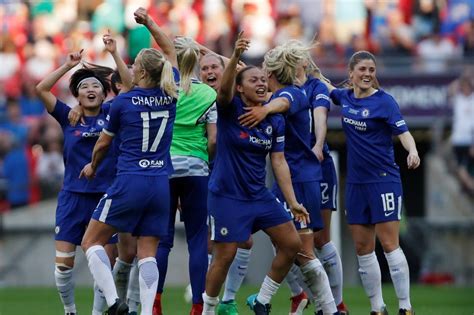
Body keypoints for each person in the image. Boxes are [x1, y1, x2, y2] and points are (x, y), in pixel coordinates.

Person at [79, 7, 179, 315]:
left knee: (91, 242)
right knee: (147, 253)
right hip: (160, 183)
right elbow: (171, 52)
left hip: (130, 180)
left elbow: (104, 143)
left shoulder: (122, 103)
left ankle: (113, 303)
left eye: (135, 66)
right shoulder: (170, 92)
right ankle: (147, 311)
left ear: (144, 73)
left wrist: (94, 165)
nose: (131, 69)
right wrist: (150, 22)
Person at [202, 32, 308, 315]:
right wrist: (235, 56)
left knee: (291, 244)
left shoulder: (273, 118)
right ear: (240, 88)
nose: (261, 83)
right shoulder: (229, 109)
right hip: (227, 196)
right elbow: (222, 91)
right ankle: (209, 310)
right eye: (254, 80)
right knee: (224, 257)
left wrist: (293, 200)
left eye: (264, 79)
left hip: (258, 195)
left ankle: (262, 300)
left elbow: (279, 162)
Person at [239, 44, 338, 314]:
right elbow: (245, 75)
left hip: (299, 180)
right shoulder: (284, 91)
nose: (260, 79)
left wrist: (265, 110)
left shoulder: (290, 94)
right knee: (286, 243)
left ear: (271, 72)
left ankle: (328, 309)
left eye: (263, 74)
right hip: (295, 179)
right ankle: (279, 298)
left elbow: (284, 102)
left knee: (304, 250)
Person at [324, 51, 420, 315]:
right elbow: (326, 86)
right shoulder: (344, 97)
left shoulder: (385, 102)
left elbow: (404, 132)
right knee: (362, 248)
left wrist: (412, 151)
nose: (367, 74)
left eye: (371, 70)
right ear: (351, 73)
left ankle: (405, 307)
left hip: (383, 181)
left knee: (389, 244)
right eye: (363, 69)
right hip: (356, 184)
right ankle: (377, 308)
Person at [35, 49, 117, 315]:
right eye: (84, 87)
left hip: (106, 198)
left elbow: (128, 86)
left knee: (105, 266)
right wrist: (67, 65)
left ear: (105, 94)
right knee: (63, 266)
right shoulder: (68, 116)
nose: (90, 89)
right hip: (72, 197)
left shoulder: (114, 113)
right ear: (77, 95)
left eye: (96, 85)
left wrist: (114, 54)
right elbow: (41, 89)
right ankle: (70, 310)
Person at [281, 40, 349, 315]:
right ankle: (300, 294)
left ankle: (337, 303)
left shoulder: (316, 87)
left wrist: (319, 145)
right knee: (283, 237)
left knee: (320, 238)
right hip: (287, 169)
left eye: (294, 58)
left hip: (316, 166)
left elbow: (320, 117)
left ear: (304, 63)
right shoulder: (279, 87)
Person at [152, 36, 217, 315]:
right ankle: (198, 305)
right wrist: (204, 157)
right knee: (198, 239)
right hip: (196, 168)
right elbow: (213, 140)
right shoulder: (209, 95)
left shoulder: (163, 90)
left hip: (165, 168)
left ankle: (154, 302)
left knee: (162, 240)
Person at [199, 52, 254, 315]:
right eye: (204, 68)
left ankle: (228, 299)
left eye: (214, 67)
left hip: (239, 177)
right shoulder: (195, 96)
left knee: (245, 242)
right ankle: (206, 296)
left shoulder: (236, 97)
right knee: (214, 243)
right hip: (207, 176)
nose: (209, 72)